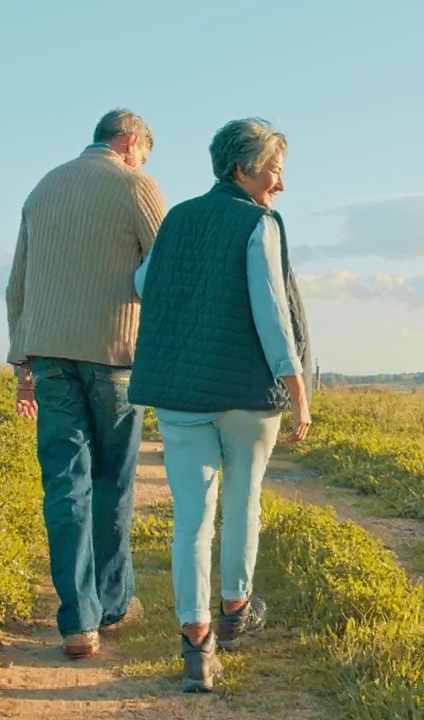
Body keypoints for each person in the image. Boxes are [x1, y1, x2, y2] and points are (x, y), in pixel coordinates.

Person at [127, 118, 312, 693]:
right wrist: (298, 385)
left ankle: (196, 645)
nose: (280, 183)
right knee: (243, 501)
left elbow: (142, 283)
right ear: (245, 167)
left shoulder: (179, 217)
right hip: (247, 394)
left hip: (182, 392)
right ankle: (235, 610)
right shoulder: (258, 222)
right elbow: (272, 310)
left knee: (192, 519)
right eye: (275, 170)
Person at [5, 108, 166, 660]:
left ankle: (77, 620)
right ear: (130, 141)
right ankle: (114, 603)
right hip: (115, 357)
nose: (143, 159)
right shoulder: (136, 185)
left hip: (48, 354)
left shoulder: (44, 186)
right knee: (113, 482)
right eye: (145, 150)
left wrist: (21, 362)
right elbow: (167, 269)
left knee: (64, 484)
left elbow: (18, 283)